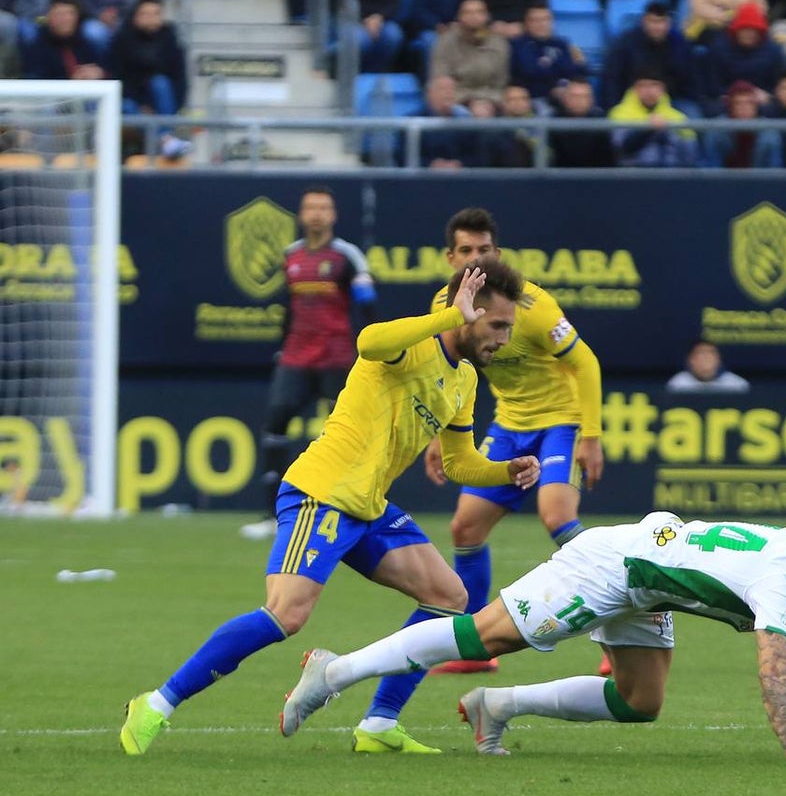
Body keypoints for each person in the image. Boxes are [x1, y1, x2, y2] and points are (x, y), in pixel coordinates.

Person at [120, 262, 541, 757]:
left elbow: (459, 462)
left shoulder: (465, 380)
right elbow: (368, 342)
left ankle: (379, 723)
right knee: (286, 615)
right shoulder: (410, 344)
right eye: (497, 325)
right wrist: (448, 318)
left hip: (368, 507)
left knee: (449, 595)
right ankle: (156, 704)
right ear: (466, 314)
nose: (504, 338)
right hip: (321, 492)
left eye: (509, 328)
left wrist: (504, 471)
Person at [281, 512, 786, 767]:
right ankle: (333, 672)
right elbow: (774, 672)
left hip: (651, 581)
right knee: (485, 637)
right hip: (612, 568)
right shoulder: (782, 583)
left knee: (641, 701)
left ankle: (496, 707)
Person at [402, 206, 603, 684]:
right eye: (466, 250)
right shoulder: (445, 308)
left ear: (498, 253)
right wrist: (439, 437)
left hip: (562, 421)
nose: (476, 257)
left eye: (485, 249)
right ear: (450, 257)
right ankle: (473, 648)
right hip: (510, 426)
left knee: (557, 517)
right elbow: (448, 373)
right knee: (465, 527)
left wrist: (591, 436)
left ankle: (622, 624)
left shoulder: (532, 307)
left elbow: (587, 363)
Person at [239, 187, 377, 540]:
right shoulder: (291, 256)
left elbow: (367, 307)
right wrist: (282, 347)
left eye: (324, 207)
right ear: (302, 215)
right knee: (275, 427)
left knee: (347, 434)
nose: (317, 213)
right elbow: (289, 309)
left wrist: (367, 354)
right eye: (311, 207)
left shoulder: (348, 257)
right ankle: (273, 516)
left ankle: (348, 508)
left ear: (333, 215)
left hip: (337, 357)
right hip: (296, 358)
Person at [106, 0, 191, 159]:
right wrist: (143, 105)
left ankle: (165, 137)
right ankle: (166, 140)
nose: (151, 18)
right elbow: (118, 77)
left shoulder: (170, 40)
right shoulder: (122, 40)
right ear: (135, 16)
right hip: (133, 101)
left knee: (161, 83)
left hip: (162, 104)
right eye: (146, 14)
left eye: (156, 14)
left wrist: (179, 107)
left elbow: (180, 80)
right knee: (126, 106)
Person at [430, 0, 511, 105]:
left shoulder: (499, 43)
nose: (474, 17)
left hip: (489, 99)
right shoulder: (445, 41)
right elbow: (440, 77)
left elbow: (500, 84)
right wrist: (469, 100)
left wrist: (481, 100)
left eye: (479, 12)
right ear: (459, 17)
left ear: (487, 16)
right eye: (468, 12)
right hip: (455, 99)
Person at [667, 337, 750, 392]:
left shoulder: (736, 385)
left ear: (718, 360)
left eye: (710, 354)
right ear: (691, 360)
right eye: (701, 354)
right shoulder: (678, 384)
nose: (706, 359)